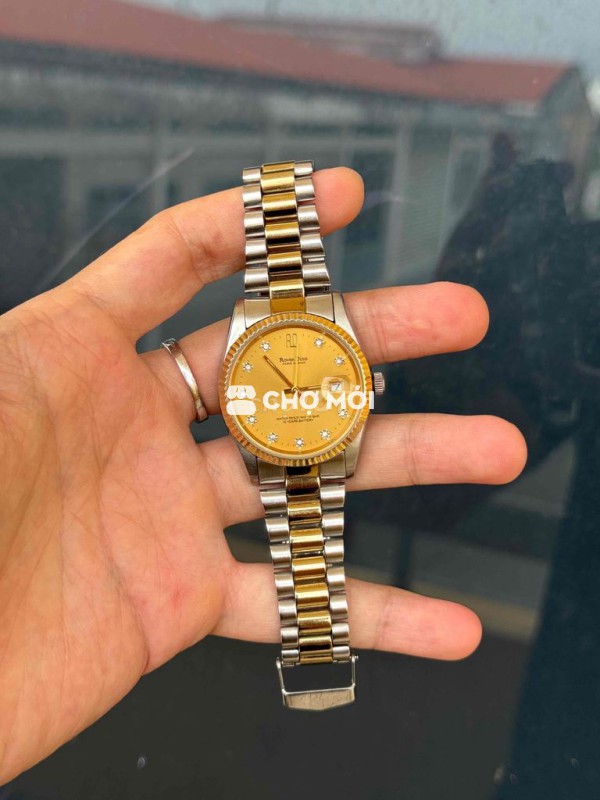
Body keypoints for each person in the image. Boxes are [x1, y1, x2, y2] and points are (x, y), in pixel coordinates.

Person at [0, 167, 526, 783]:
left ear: (366, 386)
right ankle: (316, 665)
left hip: (298, 444)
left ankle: (319, 663)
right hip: (287, 446)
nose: (297, 392)